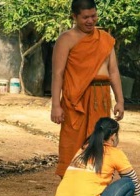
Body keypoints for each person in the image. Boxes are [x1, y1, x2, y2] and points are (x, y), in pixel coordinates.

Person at [50, 0, 125, 177]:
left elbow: (113, 72)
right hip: (74, 99)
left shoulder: (105, 39)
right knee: (72, 142)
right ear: (74, 17)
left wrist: (120, 101)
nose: (90, 21)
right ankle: (69, 189)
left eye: (93, 16)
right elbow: (58, 74)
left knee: (99, 140)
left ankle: (95, 186)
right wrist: (55, 105)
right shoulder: (66, 39)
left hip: (101, 97)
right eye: (85, 17)